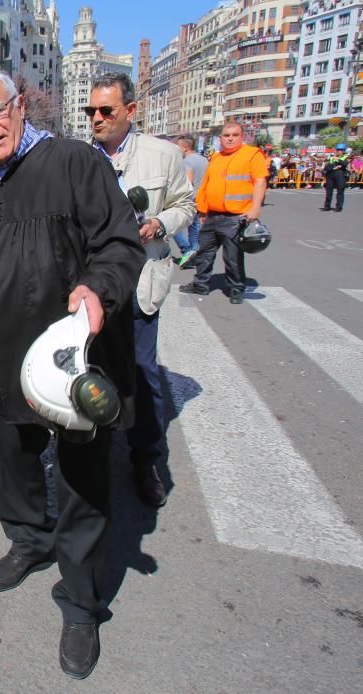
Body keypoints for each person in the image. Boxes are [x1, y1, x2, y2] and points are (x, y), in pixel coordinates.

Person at [0, 69, 144, 679]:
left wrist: (98, 287)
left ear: (20, 104)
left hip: (74, 357)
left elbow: (119, 244)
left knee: (82, 475)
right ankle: (29, 541)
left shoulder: (74, 163)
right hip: (8, 359)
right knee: (11, 457)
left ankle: (82, 599)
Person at [89, 73, 195, 508]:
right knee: (92, 370)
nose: (96, 118)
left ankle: (144, 457)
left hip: (142, 281)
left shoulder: (164, 155)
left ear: (130, 111)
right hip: (93, 285)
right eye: (90, 111)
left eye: (106, 110)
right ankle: (93, 451)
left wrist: (159, 223)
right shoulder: (77, 157)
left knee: (141, 371)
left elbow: (185, 204)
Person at [180, 121, 267, 305]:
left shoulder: (251, 155)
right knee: (204, 252)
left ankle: (236, 288)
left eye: (234, 135)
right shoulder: (217, 158)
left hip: (236, 216)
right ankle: (201, 283)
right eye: (226, 135)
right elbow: (206, 185)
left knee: (232, 256)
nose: (230, 138)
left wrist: (255, 209)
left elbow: (260, 182)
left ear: (242, 137)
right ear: (220, 138)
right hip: (212, 215)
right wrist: (202, 209)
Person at [175, 135, 208, 268]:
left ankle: (187, 252)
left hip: (191, 199)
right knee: (194, 230)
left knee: (174, 227)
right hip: (202, 199)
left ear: (185, 147)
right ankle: (193, 254)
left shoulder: (187, 161)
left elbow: (188, 182)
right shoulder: (204, 159)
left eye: (178, 146)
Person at [322, 143, 349, 212]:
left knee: (340, 191)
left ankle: (338, 207)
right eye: (338, 150)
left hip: (340, 175)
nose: (338, 151)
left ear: (343, 151)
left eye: (340, 150)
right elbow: (327, 167)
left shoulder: (345, 157)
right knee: (329, 191)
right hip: (331, 175)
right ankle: (327, 206)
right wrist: (334, 167)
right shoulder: (331, 157)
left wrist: (338, 160)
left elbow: (345, 164)